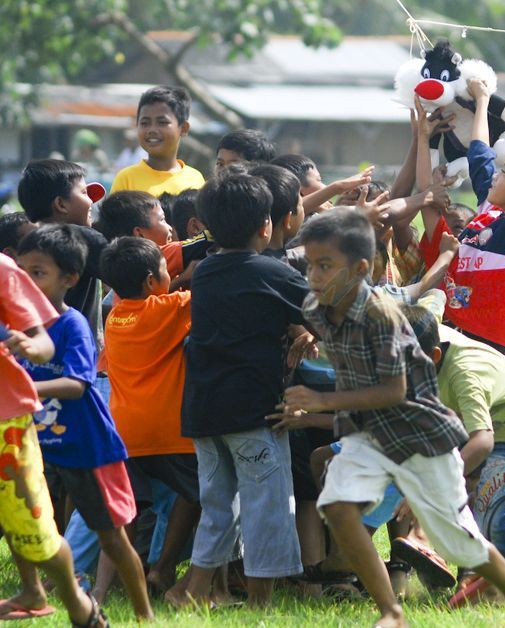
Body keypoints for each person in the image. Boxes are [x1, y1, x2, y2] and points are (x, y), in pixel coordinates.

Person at [282, 208, 505, 628]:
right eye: (311, 265)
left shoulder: (380, 318)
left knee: (456, 541)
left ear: (361, 270)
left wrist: (319, 399)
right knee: (337, 505)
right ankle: (392, 612)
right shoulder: (322, 303)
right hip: (372, 434)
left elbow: (395, 390)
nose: (313, 275)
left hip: (419, 435)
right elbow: (297, 270)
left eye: (325, 266)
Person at [169, 173, 309, 608]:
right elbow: (324, 310)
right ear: (267, 226)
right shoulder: (274, 271)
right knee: (266, 504)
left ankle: (193, 592)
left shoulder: (206, 270)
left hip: (204, 411)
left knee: (218, 506)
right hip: (254, 413)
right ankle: (260, 603)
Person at [15, 225, 153, 621]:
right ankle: (42, 595)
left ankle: (145, 616)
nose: (27, 282)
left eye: (38, 273)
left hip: (89, 449)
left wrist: (22, 387)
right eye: (22, 272)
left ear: (70, 278)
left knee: (112, 538)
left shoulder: (71, 323)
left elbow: (76, 384)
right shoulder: (16, 327)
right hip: (44, 448)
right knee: (25, 524)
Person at [399, 304, 505, 620]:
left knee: (499, 520)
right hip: (473, 420)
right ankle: (492, 585)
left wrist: (436, 481)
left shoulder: (463, 374)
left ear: (433, 357)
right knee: (488, 517)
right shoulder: (416, 339)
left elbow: (483, 441)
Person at [417, 48, 505, 360]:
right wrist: (481, 103)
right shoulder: (485, 213)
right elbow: (479, 155)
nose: (495, 175)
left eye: (504, 172)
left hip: (488, 350)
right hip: (448, 338)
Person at [0, 253, 108, 626]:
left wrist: (32, 349)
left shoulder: (3, 270)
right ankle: (32, 591)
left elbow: (43, 339)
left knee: (31, 521)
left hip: (6, 422)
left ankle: (76, 601)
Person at [100, 237, 202, 593]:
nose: (170, 275)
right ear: (150, 281)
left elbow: (151, 302)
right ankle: (164, 567)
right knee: (200, 494)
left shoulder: (114, 317)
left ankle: (115, 582)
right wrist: (192, 274)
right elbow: (205, 291)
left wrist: (172, 280)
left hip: (125, 433)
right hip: (169, 430)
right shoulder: (170, 308)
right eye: (165, 270)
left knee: (128, 510)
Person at [17, 159, 109, 350]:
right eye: (84, 193)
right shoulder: (81, 237)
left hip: (34, 350)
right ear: (61, 204)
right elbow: (129, 276)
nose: (92, 201)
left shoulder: (21, 237)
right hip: (76, 353)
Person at [110, 86, 206, 197]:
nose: (152, 130)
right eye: (145, 123)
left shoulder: (195, 179)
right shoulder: (126, 179)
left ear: (183, 128)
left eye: (162, 122)